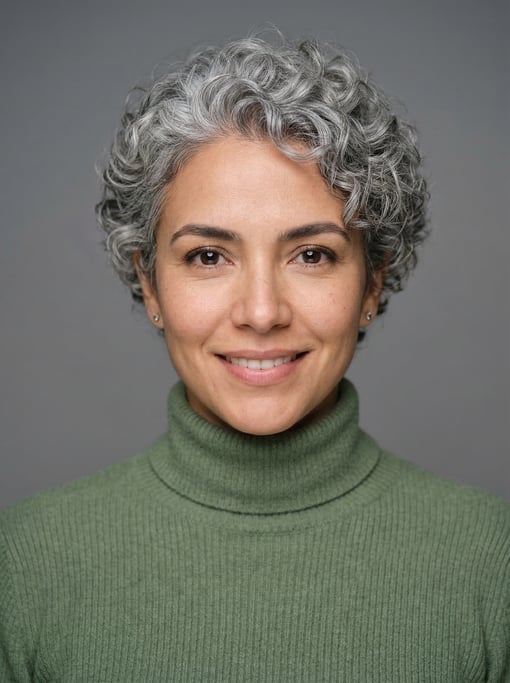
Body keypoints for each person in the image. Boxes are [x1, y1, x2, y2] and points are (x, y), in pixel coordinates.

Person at [1, 31, 508, 682]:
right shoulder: (22, 567)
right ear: (150, 283)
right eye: (208, 256)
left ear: (372, 283)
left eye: (312, 254)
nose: (262, 311)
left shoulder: (494, 565)